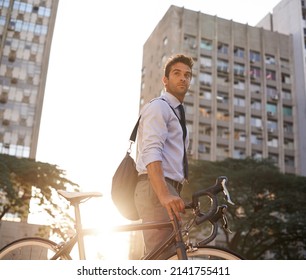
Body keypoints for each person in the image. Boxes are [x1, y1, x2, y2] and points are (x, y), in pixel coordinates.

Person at [134, 54, 194, 258]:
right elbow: (151, 151)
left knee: (161, 257)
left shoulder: (178, 115)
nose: (183, 78)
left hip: (169, 188)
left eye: (187, 75)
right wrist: (163, 194)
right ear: (165, 80)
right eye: (177, 73)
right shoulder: (159, 107)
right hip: (156, 187)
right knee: (162, 259)